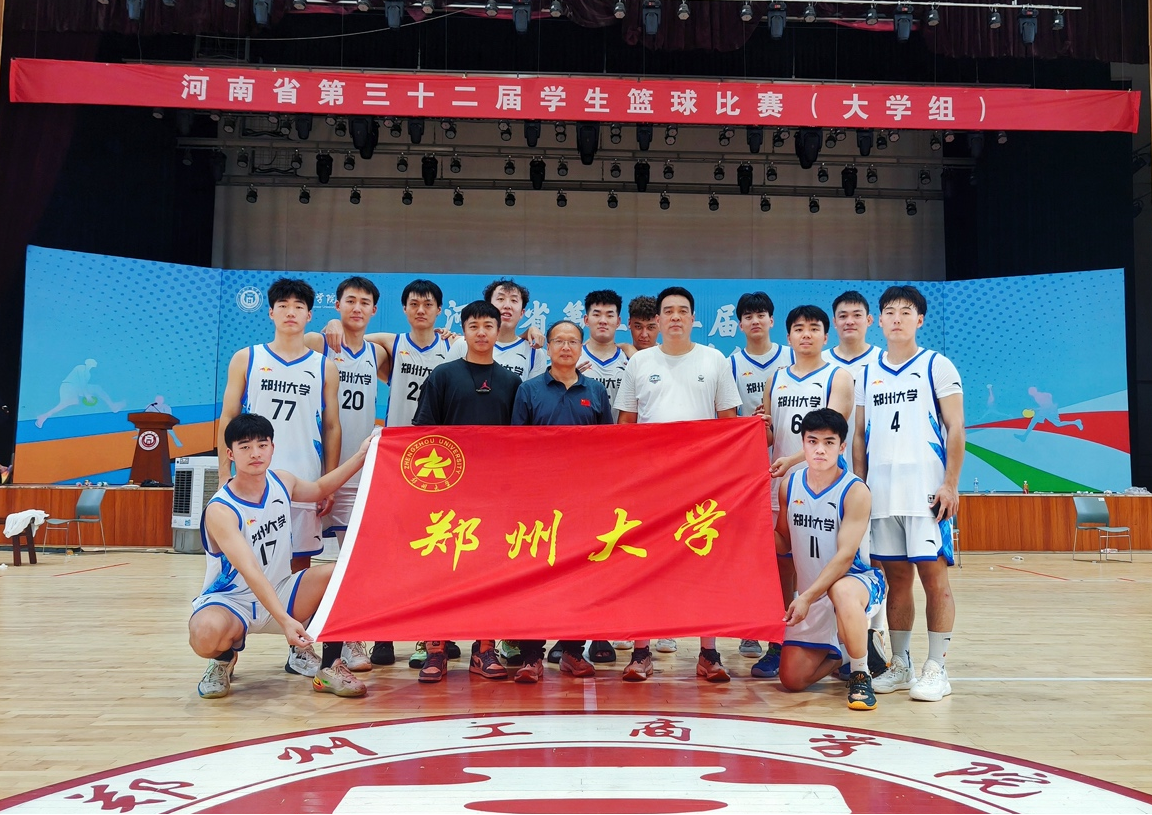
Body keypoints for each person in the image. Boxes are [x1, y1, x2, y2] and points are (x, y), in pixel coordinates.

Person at [311, 277, 449, 669]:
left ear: (439, 311)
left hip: (428, 462)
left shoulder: (449, 347)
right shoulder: (386, 345)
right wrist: (330, 325)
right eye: (414, 304)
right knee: (368, 554)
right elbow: (340, 334)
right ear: (402, 309)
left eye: (428, 304)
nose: (421, 310)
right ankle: (352, 638)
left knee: (418, 551)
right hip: (376, 462)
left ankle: (423, 635)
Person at [190, 413, 377, 700]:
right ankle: (223, 659)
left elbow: (319, 489)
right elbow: (250, 569)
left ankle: (330, 668)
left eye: (262, 445)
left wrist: (362, 455)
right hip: (232, 601)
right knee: (204, 634)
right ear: (230, 454)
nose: (255, 453)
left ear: (272, 448)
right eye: (245, 447)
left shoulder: (282, 482)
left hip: (282, 589)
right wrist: (285, 620)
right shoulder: (221, 510)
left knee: (340, 574)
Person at [615, 285, 742, 683]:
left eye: (682, 311)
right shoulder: (640, 363)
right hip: (651, 484)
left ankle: (708, 653)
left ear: (692, 319)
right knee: (644, 565)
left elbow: (729, 423)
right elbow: (625, 425)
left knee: (705, 564)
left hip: (702, 483)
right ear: (657, 320)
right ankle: (641, 652)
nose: (674, 317)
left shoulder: (714, 359)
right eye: (667, 311)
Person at [217, 278, 342, 680]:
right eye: (283, 305)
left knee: (299, 566)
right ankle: (226, 649)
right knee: (242, 563)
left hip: (301, 478)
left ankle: (298, 648)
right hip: (250, 483)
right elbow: (228, 417)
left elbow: (332, 426)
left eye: (298, 306)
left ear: (309, 315)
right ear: (270, 312)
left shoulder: (324, 366)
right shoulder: (247, 358)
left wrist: (329, 480)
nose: (291, 312)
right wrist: (224, 474)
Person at [854, 285, 965, 703]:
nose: (897, 318)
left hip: (926, 494)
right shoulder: (867, 373)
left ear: (920, 319)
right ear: (878, 321)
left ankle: (937, 667)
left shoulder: (937, 365)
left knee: (934, 579)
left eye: (906, 311)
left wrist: (950, 483)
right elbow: (859, 436)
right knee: (897, 581)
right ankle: (900, 664)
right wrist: (861, 486)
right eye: (889, 311)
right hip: (882, 495)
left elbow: (956, 427)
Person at [412, 300, 522, 683]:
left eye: (488, 325)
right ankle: (436, 648)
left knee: (489, 571)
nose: (481, 332)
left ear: (498, 331)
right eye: (473, 325)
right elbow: (423, 433)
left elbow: (522, 442)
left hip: (495, 494)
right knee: (441, 571)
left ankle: (484, 648)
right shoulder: (443, 376)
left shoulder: (511, 382)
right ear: (463, 331)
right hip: (448, 493)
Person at [752, 305, 854, 681]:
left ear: (826, 336)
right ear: (789, 337)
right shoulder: (776, 378)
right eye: (798, 328)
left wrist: (795, 458)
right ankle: (780, 640)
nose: (806, 334)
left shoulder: (838, 377)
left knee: (828, 564)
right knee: (782, 565)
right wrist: (756, 427)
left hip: (826, 487)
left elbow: (831, 431)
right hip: (782, 486)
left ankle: (848, 645)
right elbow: (770, 434)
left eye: (813, 328)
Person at [511, 319, 615, 682]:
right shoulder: (528, 390)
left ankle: (573, 651)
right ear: (548, 347)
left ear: (582, 347)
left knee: (581, 576)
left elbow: (608, 446)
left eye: (573, 341)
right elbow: (515, 446)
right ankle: (531, 657)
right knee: (536, 578)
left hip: (585, 500)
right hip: (538, 500)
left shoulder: (596, 391)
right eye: (559, 341)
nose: (566, 347)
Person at [775, 409, 886, 711]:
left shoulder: (855, 491)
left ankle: (860, 673)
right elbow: (783, 541)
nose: (820, 450)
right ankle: (846, 652)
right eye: (813, 441)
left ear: (841, 447)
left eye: (829, 442)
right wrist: (749, 529)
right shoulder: (789, 485)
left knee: (842, 590)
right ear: (803, 444)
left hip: (857, 582)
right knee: (792, 679)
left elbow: (845, 557)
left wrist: (806, 597)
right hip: (812, 596)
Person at [822, 290, 887, 677]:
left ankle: (874, 637)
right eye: (842, 315)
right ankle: (839, 643)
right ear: (834, 322)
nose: (849, 321)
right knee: (835, 556)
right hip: (834, 479)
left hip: (879, 474)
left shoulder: (884, 362)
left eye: (856, 315)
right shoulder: (824, 365)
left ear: (869, 320)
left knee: (876, 560)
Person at [727, 290, 793, 663]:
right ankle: (752, 628)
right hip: (749, 474)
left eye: (761, 314)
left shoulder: (791, 358)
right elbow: (725, 417)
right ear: (739, 324)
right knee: (752, 553)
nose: (755, 321)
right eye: (748, 316)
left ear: (771, 320)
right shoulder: (731, 364)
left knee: (788, 555)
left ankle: (791, 629)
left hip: (792, 469)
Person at [445, 278, 547, 381]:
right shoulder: (462, 344)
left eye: (514, 300)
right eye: (500, 299)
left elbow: (533, 390)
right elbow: (446, 381)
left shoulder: (534, 352)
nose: (507, 306)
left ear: (522, 313)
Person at [577, 289, 636, 421]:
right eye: (597, 315)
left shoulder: (631, 360)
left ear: (618, 321)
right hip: (583, 433)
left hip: (621, 433)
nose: (603, 321)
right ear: (586, 320)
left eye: (609, 315)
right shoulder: (573, 360)